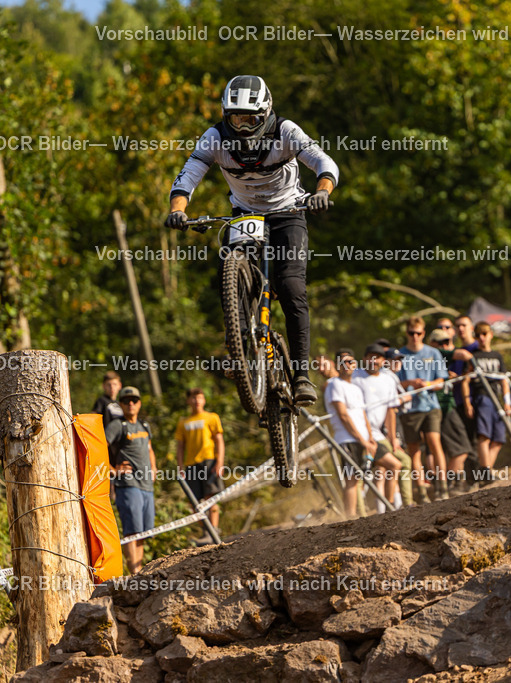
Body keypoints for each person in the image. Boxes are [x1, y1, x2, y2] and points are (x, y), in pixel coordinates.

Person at [166, 75, 339, 406]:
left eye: (251, 120)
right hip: (245, 213)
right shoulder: (215, 138)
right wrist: (178, 211)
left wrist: (322, 191)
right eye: (236, 120)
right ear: (225, 116)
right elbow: (187, 176)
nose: (243, 128)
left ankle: (301, 374)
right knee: (228, 272)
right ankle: (239, 347)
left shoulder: (285, 131)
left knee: (291, 286)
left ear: (266, 114)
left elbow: (323, 162)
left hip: (289, 210)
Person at [326, 349, 402, 517]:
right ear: (337, 366)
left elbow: (363, 415)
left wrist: (370, 438)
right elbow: (343, 415)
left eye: (351, 362)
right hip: (347, 439)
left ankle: (390, 508)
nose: (348, 365)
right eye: (343, 362)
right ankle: (350, 517)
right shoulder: (334, 384)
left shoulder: (355, 387)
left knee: (395, 465)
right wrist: (362, 440)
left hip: (367, 440)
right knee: (352, 480)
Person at [397, 317, 450, 500]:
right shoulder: (399, 355)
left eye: (418, 333)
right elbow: (394, 384)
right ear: (407, 333)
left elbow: (441, 381)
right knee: (414, 450)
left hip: (431, 405)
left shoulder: (433, 353)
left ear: (423, 333)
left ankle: (442, 488)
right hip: (409, 409)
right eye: (411, 333)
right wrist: (411, 383)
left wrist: (427, 384)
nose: (415, 336)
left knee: (434, 442)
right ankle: (421, 491)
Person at [353, 344, 412, 507]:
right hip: (358, 434)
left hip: (378, 434)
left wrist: (392, 439)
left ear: (383, 361)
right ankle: (362, 512)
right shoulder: (355, 376)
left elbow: (390, 411)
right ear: (364, 358)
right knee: (360, 473)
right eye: (370, 357)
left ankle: (403, 505)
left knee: (403, 461)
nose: (373, 361)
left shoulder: (388, 380)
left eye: (377, 357)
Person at [106, 386, 157, 574]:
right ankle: (134, 575)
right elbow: (99, 446)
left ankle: (140, 573)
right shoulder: (117, 425)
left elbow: (149, 448)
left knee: (142, 532)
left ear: (139, 403)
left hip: (146, 485)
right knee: (132, 531)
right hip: (128, 484)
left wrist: (154, 467)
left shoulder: (144, 425)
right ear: (120, 404)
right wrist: (113, 470)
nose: (130, 404)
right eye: (126, 401)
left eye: (134, 400)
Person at [462, 322, 511, 486]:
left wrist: (507, 402)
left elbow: (504, 380)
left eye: (484, 334)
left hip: (497, 399)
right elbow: (465, 381)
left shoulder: (497, 356)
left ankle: (484, 470)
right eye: (478, 335)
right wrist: (468, 403)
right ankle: (486, 472)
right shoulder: (473, 356)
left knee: (499, 438)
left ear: (491, 335)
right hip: (482, 397)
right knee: (484, 435)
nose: (481, 338)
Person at [429, 327, 474, 493]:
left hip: (445, 405)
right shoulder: (435, 354)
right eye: (440, 342)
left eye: (447, 342)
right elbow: (464, 354)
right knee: (462, 448)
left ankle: (448, 484)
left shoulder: (435, 359)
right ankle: (449, 483)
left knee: (451, 449)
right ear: (432, 343)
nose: (444, 346)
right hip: (443, 406)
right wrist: (472, 365)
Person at [175, 388, 225, 533]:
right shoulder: (183, 422)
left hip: (209, 461)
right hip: (191, 464)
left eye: (200, 397)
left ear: (204, 400)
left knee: (211, 498)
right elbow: (180, 447)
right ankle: (206, 531)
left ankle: (214, 529)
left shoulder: (212, 417)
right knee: (194, 502)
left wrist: (219, 463)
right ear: (188, 401)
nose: (197, 401)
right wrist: (180, 467)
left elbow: (219, 441)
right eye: (193, 398)